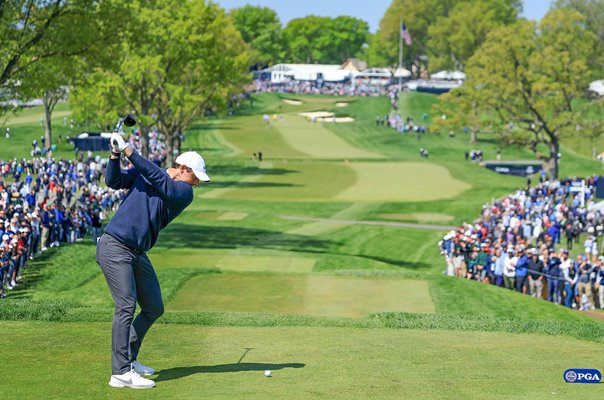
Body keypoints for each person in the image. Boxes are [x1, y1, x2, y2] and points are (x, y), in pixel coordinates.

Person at [97, 132, 210, 389]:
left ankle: (130, 358)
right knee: (125, 306)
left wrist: (129, 151)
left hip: (137, 252)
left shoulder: (183, 192)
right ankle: (120, 372)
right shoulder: (151, 174)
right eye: (195, 177)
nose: (197, 183)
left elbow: (161, 181)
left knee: (154, 307)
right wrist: (115, 155)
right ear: (183, 168)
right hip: (114, 246)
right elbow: (113, 180)